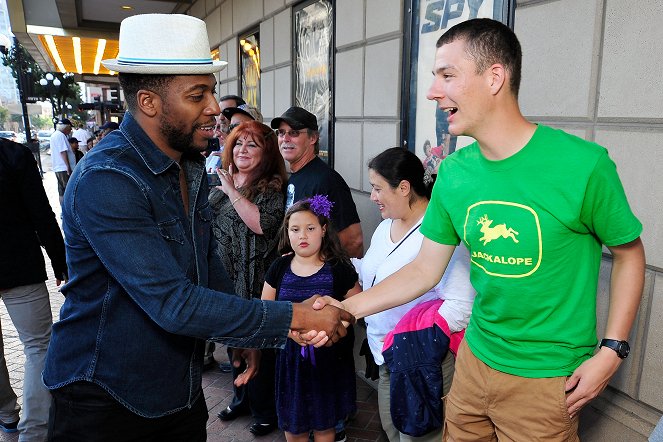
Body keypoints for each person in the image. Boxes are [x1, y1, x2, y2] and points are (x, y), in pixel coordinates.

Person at [314, 18, 644, 441]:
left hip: (546, 383)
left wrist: (612, 351)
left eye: (447, 75)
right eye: (434, 77)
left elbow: (630, 255)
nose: (433, 91)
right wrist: (345, 309)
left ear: (494, 78)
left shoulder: (584, 165)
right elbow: (422, 271)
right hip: (472, 364)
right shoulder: (453, 173)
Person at [42, 14, 353, 442]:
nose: (213, 107)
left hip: (177, 389)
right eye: (198, 94)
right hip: (106, 396)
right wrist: (291, 316)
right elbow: (173, 302)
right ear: (149, 102)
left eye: (210, 90)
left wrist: (244, 337)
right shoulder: (107, 179)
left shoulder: (188, 165)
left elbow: (207, 264)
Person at [356, 147, 475, 442]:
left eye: (377, 188)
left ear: (404, 188)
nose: (372, 196)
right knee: (391, 429)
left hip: (420, 360)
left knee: (419, 436)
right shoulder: (384, 228)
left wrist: (418, 335)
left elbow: (463, 304)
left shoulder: (441, 235)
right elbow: (373, 275)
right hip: (384, 354)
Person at [262, 196, 361, 442]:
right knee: (294, 427)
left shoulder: (338, 268)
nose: (302, 235)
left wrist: (337, 327)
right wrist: (288, 331)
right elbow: (265, 309)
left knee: (325, 425)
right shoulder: (279, 268)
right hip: (290, 362)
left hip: (328, 362)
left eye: (310, 228)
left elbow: (357, 306)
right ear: (287, 232)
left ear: (324, 230)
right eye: (295, 229)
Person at [210, 120, 283, 436]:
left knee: (259, 351)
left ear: (265, 152)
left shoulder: (272, 187)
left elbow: (261, 225)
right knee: (234, 347)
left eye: (252, 144)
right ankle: (242, 399)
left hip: (256, 283)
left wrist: (230, 190)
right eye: (238, 143)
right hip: (226, 280)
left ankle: (265, 409)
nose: (243, 150)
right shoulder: (225, 178)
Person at [0, 138, 67, 441]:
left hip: (20, 264)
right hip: (18, 263)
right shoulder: (13, 154)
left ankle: (6, 415)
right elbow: (41, 212)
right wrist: (59, 259)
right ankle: (35, 431)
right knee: (39, 345)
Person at [272, 106, 364, 258]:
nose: (285, 139)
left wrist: (316, 269)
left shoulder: (326, 180)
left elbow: (354, 240)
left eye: (294, 133)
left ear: (312, 138)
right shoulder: (295, 175)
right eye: (281, 133)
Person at [49, 118, 74, 205]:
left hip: (59, 167)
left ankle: (64, 210)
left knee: (62, 191)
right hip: (63, 168)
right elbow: (63, 151)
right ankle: (67, 210)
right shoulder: (60, 135)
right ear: (66, 127)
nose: (70, 130)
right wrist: (68, 167)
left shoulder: (55, 135)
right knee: (68, 190)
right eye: (70, 128)